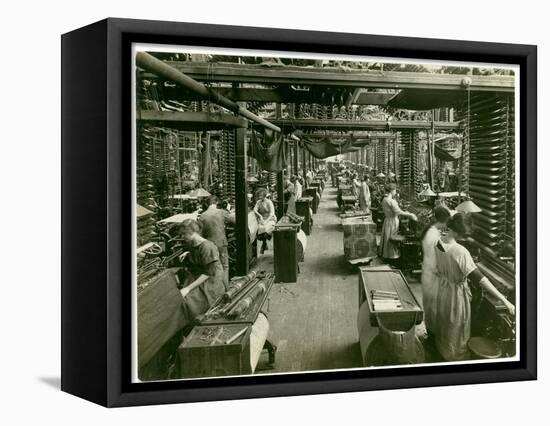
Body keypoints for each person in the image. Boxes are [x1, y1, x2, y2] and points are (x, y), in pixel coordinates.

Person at [432, 213, 515, 361]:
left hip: (443, 290)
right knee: (457, 329)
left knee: (446, 324)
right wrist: (505, 300)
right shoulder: (460, 251)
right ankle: (456, 359)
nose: (466, 237)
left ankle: (443, 351)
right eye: (465, 234)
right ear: (460, 232)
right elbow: (480, 279)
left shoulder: (438, 242)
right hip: (456, 296)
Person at [178, 219, 226, 322]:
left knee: (188, 301)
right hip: (199, 275)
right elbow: (196, 253)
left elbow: (209, 273)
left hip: (211, 281)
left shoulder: (208, 247)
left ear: (193, 232)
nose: (182, 237)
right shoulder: (191, 244)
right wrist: (187, 254)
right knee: (179, 295)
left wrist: (188, 289)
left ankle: (193, 324)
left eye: (183, 234)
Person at [420, 205, 451, 336]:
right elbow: (435, 258)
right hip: (432, 274)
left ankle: (431, 333)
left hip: (428, 271)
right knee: (433, 308)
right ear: (444, 221)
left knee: (430, 307)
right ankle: (432, 337)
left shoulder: (432, 231)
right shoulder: (433, 235)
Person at [198, 195, 234, 288]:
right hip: (221, 243)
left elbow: (200, 234)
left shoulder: (202, 216)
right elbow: (235, 220)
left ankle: (216, 289)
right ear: (216, 203)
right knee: (225, 266)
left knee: (213, 268)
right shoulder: (221, 212)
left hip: (209, 245)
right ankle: (226, 289)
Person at [379, 183, 417, 263]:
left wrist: (405, 212)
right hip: (392, 221)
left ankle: (387, 255)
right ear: (392, 190)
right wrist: (410, 214)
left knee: (387, 237)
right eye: (395, 190)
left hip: (388, 220)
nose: (395, 192)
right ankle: (392, 257)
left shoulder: (384, 199)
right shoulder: (391, 201)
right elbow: (398, 212)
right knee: (391, 239)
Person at [253, 188, 277, 254]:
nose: (259, 197)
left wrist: (266, 221)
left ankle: (265, 244)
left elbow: (272, 214)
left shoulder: (269, 202)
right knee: (259, 229)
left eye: (260, 195)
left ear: (264, 195)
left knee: (266, 228)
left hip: (270, 218)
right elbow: (255, 210)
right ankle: (264, 243)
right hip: (263, 218)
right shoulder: (258, 202)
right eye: (258, 195)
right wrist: (260, 216)